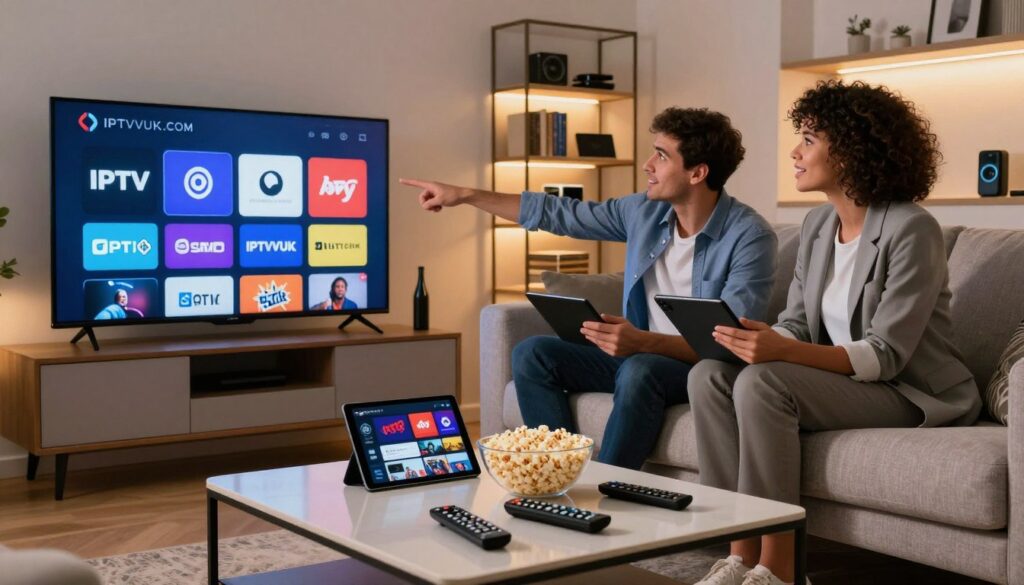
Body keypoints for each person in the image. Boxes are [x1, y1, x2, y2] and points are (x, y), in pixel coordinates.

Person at [689, 80, 982, 585]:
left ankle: (779, 570)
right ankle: (739, 553)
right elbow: (799, 323)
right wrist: (759, 339)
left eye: (808, 139)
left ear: (849, 149)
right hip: (849, 381)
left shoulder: (912, 228)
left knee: (764, 383)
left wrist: (779, 354)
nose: (795, 153)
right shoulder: (819, 225)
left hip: (908, 390)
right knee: (710, 375)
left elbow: (886, 355)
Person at [402, 107, 777, 470]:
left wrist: (642, 342)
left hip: (692, 368)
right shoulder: (644, 212)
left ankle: (607, 489)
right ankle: (558, 472)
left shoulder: (749, 236)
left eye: (661, 156)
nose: (648, 165)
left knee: (640, 371)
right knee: (533, 354)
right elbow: (560, 213)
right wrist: (466, 195)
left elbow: (729, 346)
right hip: (635, 354)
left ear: (697, 173)